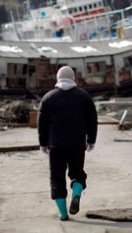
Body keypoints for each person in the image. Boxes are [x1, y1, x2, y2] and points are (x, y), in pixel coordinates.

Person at [38, 65, 98, 221]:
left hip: (56, 145)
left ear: (57, 79)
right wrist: (91, 140)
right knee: (77, 173)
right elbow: (92, 119)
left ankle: (63, 214)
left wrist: (43, 143)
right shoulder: (83, 96)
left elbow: (42, 123)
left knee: (57, 178)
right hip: (77, 144)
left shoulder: (48, 97)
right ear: (73, 78)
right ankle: (76, 194)